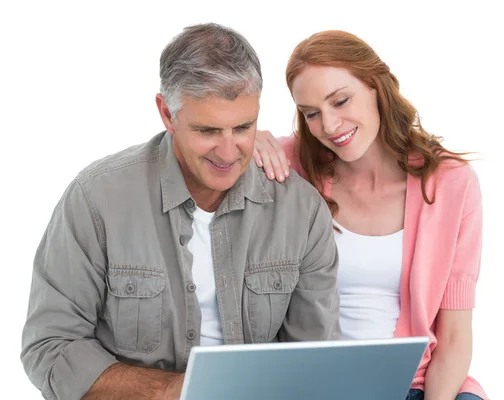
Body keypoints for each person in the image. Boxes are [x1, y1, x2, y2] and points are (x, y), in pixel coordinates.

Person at [21, 23, 340, 400]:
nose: (227, 153)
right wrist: (180, 392)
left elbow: (315, 360)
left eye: (243, 127)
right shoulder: (96, 199)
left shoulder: (301, 212)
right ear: (167, 114)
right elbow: (51, 347)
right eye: (207, 131)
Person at [253, 30, 487, 400]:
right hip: (321, 385)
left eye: (341, 101)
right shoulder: (292, 168)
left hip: (419, 385)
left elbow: (455, 336)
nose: (329, 126)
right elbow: (209, 147)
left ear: (377, 86)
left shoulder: (451, 184)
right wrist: (251, 139)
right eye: (311, 113)